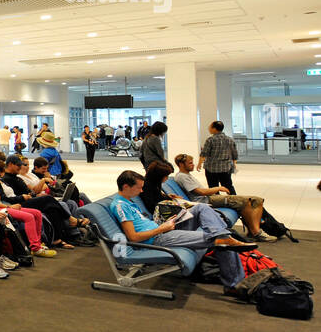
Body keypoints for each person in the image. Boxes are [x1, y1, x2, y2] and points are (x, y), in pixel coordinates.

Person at [110, 170, 249, 294]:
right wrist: (161, 229)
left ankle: (221, 235)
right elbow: (133, 237)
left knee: (201, 208)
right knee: (218, 240)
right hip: (159, 238)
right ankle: (233, 284)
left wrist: (165, 224)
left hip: (163, 230)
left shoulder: (128, 201)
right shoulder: (120, 206)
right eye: (139, 188)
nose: (141, 191)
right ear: (126, 187)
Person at [172, 153, 270, 241]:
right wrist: (219, 188)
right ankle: (256, 233)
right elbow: (201, 192)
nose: (193, 164)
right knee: (253, 201)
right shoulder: (182, 176)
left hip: (208, 198)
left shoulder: (186, 175)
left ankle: (253, 231)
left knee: (251, 201)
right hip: (207, 200)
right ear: (181, 164)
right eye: (190, 163)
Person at [1, 155, 78, 248]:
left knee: (53, 209)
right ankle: (71, 219)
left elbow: (31, 191)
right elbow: (8, 197)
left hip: (26, 199)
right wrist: (25, 196)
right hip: (20, 203)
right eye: (18, 165)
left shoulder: (15, 177)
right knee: (49, 199)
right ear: (10, 164)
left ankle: (58, 239)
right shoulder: (7, 179)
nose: (20, 167)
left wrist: (33, 195)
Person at [0, 160, 54, 257]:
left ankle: (38, 243)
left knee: (37, 213)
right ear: (1, 171)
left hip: (7, 204)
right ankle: (35, 247)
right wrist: (12, 204)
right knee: (29, 217)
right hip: (2, 207)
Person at [198, 120, 239, 194]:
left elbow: (204, 153)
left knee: (213, 187)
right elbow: (234, 154)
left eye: (210, 127)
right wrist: (234, 164)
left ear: (214, 129)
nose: (209, 128)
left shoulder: (210, 140)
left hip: (211, 169)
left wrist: (199, 164)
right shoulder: (230, 140)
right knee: (228, 186)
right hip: (225, 168)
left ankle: (217, 202)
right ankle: (234, 201)